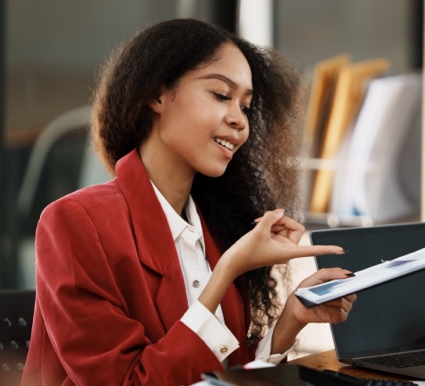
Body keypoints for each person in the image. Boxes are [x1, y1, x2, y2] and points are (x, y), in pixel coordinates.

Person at [22, 18, 356, 386]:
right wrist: (227, 270)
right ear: (158, 95)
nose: (239, 121)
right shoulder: (73, 222)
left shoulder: (215, 226)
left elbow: (219, 373)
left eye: (245, 106)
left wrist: (293, 315)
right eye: (220, 95)